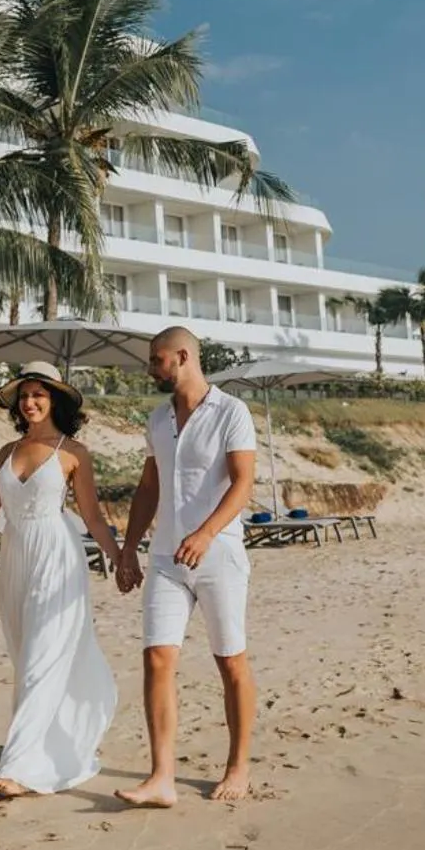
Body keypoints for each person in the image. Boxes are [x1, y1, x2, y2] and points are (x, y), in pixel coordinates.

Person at [0, 361, 123, 799]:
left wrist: (119, 556)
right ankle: (44, 747)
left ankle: (18, 769)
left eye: (39, 393)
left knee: (43, 654)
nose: (30, 401)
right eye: (24, 395)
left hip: (57, 557)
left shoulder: (73, 452)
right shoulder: (7, 451)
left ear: (54, 399)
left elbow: (93, 517)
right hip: (16, 557)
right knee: (27, 657)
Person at [114, 327, 260, 806]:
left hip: (219, 555)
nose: (150, 369)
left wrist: (206, 533)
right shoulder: (158, 419)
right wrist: (128, 548)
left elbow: (242, 484)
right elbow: (149, 488)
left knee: (230, 661)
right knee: (156, 657)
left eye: (156, 360)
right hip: (165, 559)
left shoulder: (231, 412)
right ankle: (161, 778)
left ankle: (237, 767)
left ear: (182, 357)